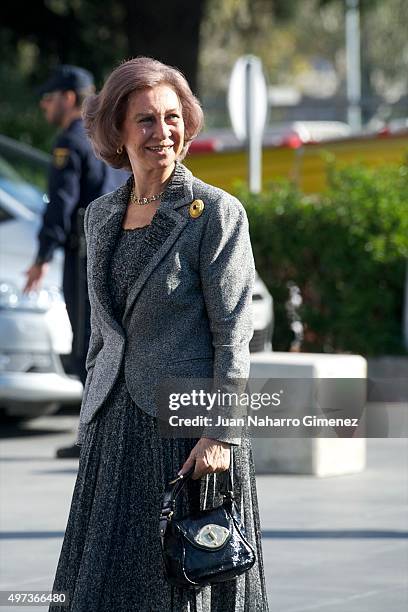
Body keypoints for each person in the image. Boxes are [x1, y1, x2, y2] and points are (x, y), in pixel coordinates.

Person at [48, 57, 269, 611]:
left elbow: (233, 336)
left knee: (179, 588)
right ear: (117, 132)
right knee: (100, 591)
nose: (162, 132)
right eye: (146, 120)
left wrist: (222, 435)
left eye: (172, 118)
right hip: (113, 435)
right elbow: (103, 332)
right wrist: (91, 415)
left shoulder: (214, 214)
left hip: (188, 439)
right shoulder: (100, 216)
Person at [23, 65, 127, 459]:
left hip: (86, 255)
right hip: (118, 250)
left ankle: (91, 437)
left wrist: (42, 257)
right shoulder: (110, 136)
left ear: (69, 98)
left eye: (48, 99)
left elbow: (62, 207)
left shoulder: (70, 141)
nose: (44, 106)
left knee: (88, 342)